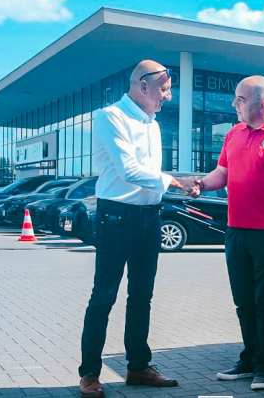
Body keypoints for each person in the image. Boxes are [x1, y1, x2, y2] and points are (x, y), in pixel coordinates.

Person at [78, 60, 195, 398]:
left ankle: (138, 367)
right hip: (115, 218)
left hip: (149, 217)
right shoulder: (111, 117)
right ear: (143, 86)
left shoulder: (153, 124)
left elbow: (147, 175)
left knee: (142, 296)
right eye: (164, 89)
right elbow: (129, 169)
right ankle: (89, 374)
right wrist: (174, 181)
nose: (168, 97)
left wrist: (180, 185)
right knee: (103, 297)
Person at [191, 75, 264, 391]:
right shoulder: (234, 134)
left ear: (263, 103)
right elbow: (223, 174)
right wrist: (201, 184)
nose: (234, 104)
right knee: (245, 302)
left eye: (240, 99)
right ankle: (249, 360)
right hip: (236, 232)